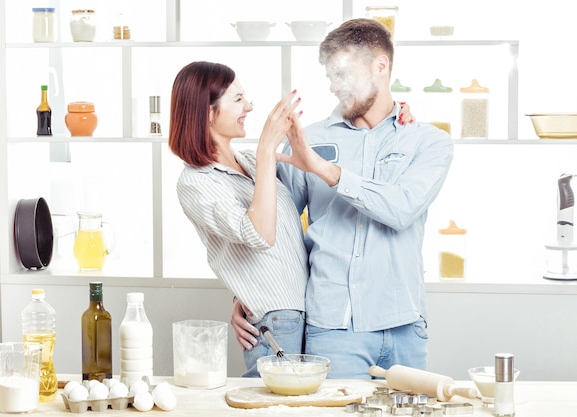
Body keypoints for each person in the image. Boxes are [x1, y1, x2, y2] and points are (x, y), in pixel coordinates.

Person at [231, 18, 454, 379]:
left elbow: (400, 208)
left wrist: (325, 170)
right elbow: (274, 230)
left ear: (380, 67)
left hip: (405, 328)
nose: (335, 86)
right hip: (333, 330)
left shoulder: (427, 142)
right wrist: (250, 293)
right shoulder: (307, 139)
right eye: (330, 76)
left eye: (343, 74)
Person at [168, 61, 308, 377]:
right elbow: (259, 234)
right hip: (278, 318)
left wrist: (241, 293)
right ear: (207, 113)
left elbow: (281, 234)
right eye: (238, 99)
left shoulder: (247, 161)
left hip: (300, 310)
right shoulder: (196, 182)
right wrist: (265, 151)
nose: (249, 106)